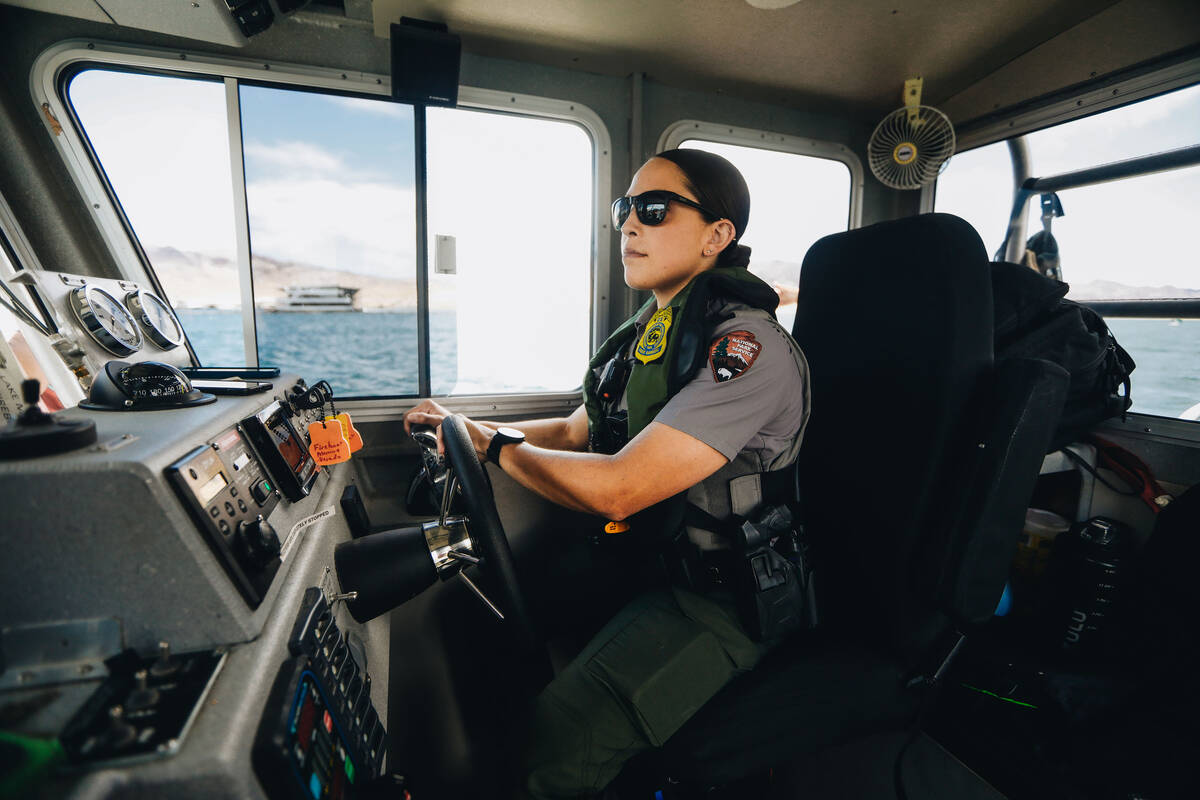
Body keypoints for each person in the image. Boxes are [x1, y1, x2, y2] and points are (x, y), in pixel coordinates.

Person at [404, 149, 811, 799]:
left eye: (655, 210)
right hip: (647, 566)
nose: (629, 225)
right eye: (625, 209)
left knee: (556, 742)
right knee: (472, 620)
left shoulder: (746, 351)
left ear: (717, 236)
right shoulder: (652, 333)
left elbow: (622, 486)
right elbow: (576, 432)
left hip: (721, 600)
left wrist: (491, 447)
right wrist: (464, 430)